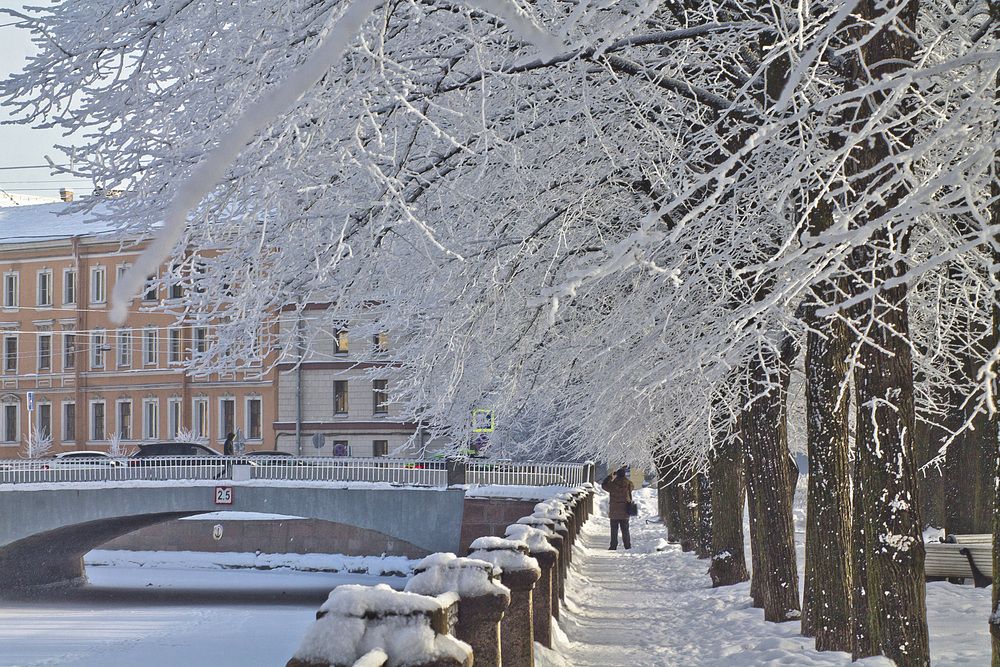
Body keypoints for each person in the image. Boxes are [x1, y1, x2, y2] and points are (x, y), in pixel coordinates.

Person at [602, 466, 634, 550]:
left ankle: (613, 546)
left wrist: (610, 477)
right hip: (625, 510)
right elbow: (632, 487)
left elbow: (604, 485)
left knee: (614, 530)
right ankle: (627, 546)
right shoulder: (628, 484)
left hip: (614, 511)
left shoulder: (612, 485)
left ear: (617, 475)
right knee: (625, 530)